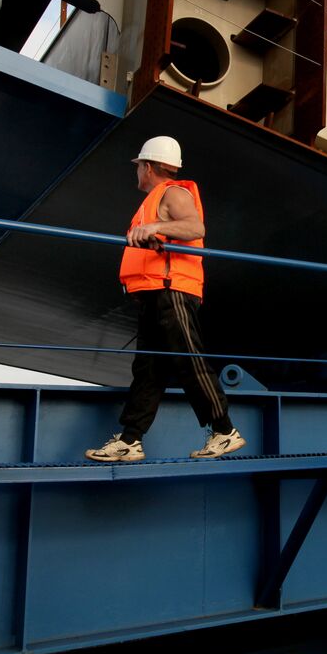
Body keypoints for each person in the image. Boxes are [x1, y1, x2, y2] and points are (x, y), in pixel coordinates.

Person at [86, 135, 245, 462]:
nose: (137, 173)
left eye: (138, 166)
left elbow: (195, 227)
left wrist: (156, 227)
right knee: (148, 370)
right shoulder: (155, 200)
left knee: (188, 358)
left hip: (173, 290)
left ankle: (225, 431)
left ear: (148, 166)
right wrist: (155, 234)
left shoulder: (173, 193)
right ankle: (131, 440)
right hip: (154, 293)